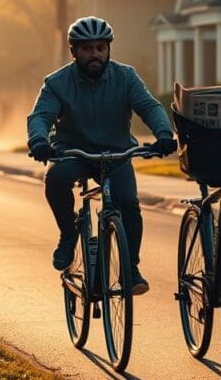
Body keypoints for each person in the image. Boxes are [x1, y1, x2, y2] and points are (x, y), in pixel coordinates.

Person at [26, 16, 176, 295]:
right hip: (74, 153)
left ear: (108, 49)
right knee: (55, 178)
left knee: (129, 205)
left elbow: (149, 106)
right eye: (87, 48)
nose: (95, 54)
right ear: (74, 52)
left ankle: (130, 269)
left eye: (100, 48)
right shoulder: (57, 83)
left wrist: (164, 134)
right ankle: (68, 235)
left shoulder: (126, 77)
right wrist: (39, 141)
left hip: (116, 154)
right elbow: (41, 116)